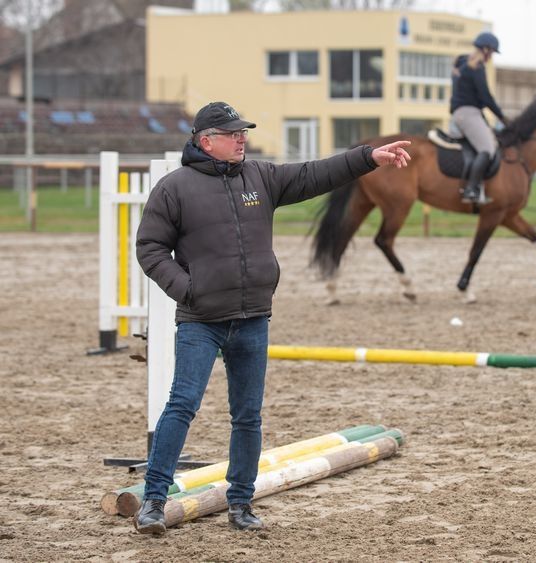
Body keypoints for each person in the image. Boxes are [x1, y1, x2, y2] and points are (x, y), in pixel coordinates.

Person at [132, 101, 410, 534]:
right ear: (207, 141)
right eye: (233, 133)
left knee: (248, 415)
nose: (242, 137)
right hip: (201, 321)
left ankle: (240, 503)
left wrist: (368, 157)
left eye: (243, 132)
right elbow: (149, 248)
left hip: (253, 318)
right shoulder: (174, 188)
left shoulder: (260, 177)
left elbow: (315, 173)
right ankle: (153, 501)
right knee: (182, 406)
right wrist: (188, 290)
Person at [449, 31, 505, 204]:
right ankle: (471, 190)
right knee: (487, 149)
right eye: (492, 53)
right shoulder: (477, 67)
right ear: (486, 49)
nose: (491, 57)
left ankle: (476, 187)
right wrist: (502, 117)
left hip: (462, 112)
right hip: (468, 113)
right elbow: (486, 97)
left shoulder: (462, 62)